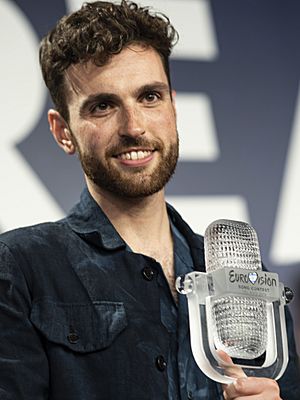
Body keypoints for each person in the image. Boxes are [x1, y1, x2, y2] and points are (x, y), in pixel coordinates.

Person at [0, 1, 299, 399]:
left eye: (150, 97)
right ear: (63, 132)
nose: (134, 126)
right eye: (103, 106)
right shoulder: (20, 267)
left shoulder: (242, 275)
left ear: (173, 106)